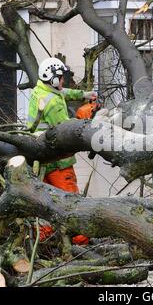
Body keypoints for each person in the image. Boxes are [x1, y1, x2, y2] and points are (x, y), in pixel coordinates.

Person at [27, 57, 96, 244]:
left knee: (50, 203)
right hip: (58, 160)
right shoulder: (53, 104)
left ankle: (39, 241)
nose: (63, 81)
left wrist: (84, 95)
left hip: (43, 158)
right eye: (60, 78)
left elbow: (63, 93)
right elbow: (67, 132)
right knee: (72, 203)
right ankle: (81, 245)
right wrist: (84, 117)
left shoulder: (41, 90)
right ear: (54, 80)